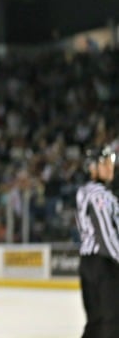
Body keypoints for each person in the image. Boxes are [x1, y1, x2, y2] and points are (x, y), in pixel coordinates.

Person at [75, 144, 119, 338]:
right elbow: (106, 235)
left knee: (96, 323)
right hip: (104, 263)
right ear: (92, 168)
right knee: (111, 323)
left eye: (112, 163)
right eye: (105, 163)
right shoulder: (99, 195)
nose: (111, 167)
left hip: (90, 263)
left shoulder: (88, 192)